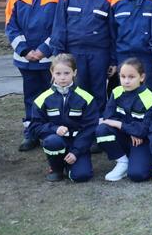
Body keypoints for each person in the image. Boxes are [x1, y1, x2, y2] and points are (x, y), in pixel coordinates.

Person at [5, 0, 67, 151]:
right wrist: (24, 50)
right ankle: (31, 133)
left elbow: (59, 27)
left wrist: (42, 50)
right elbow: (10, 23)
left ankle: (50, 133)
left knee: (51, 97)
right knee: (30, 98)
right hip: (25, 58)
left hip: (48, 58)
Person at [50, 0, 114, 113]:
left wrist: (113, 59)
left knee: (98, 89)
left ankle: (98, 125)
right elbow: (59, 27)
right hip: (73, 52)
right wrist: (58, 54)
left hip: (99, 53)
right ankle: (77, 123)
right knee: (77, 89)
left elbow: (113, 32)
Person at [28, 54, 99, 182]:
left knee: (81, 176)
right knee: (52, 141)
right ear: (52, 73)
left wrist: (76, 152)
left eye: (67, 73)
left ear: (74, 72)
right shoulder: (42, 99)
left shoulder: (86, 98)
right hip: (57, 140)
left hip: (77, 144)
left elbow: (90, 128)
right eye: (58, 73)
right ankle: (56, 168)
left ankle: (72, 165)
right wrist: (54, 129)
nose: (62, 77)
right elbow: (34, 127)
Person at [96, 58, 152, 182]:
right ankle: (122, 161)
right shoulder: (116, 92)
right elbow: (108, 117)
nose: (126, 81)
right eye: (123, 77)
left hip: (141, 141)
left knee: (137, 175)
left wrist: (120, 124)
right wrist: (131, 130)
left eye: (131, 77)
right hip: (125, 136)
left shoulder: (149, 98)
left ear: (142, 77)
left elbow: (145, 130)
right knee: (102, 129)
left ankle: (140, 160)